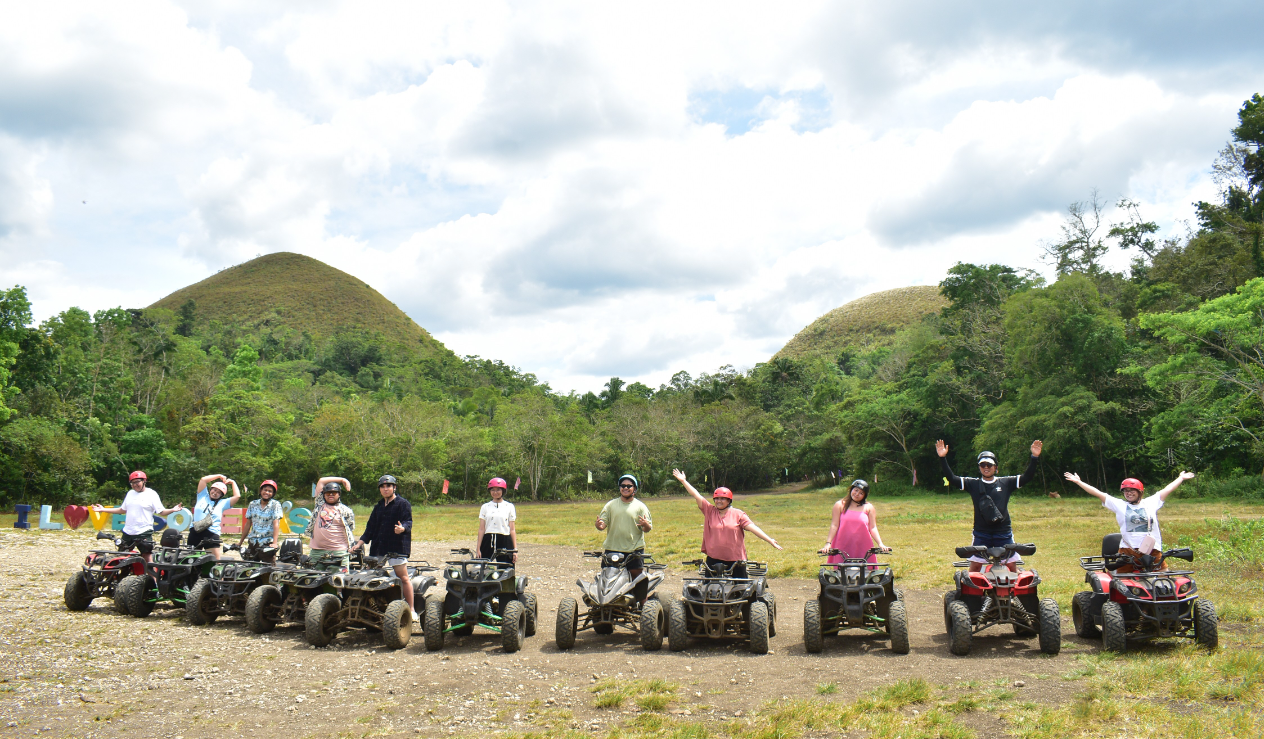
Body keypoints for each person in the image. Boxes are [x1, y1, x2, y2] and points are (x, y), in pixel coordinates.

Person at [936, 439, 1043, 571]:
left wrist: (1034, 457)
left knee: (1010, 565)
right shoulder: (972, 484)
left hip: (1003, 532)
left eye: (989, 465)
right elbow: (952, 478)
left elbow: (1027, 477)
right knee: (975, 566)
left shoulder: (1006, 482)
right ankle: (972, 591)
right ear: (979, 467)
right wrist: (942, 458)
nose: (986, 467)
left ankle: (1012, 591)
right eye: (983, 465)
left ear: (996, 467)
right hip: (982, 533)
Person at [1063, 470, 1195, 571]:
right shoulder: (1119, 504)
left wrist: (1181, 478)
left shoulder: (1151, 502)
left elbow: (1168, 489)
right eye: (1126, 491)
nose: (1128, 493)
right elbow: (1097, 492)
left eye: (1132, 490)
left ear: (1140, 492)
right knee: (1122, 585)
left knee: (1164, 579)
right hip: (1127, 552)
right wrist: (1078, 482)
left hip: (1152, 550)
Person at [672, 469, 781, 578]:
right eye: (717, 498)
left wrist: (770, 540)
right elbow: (696, 494)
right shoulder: (710, 511)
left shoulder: (738, 514)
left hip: (735, 560)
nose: (719, 501)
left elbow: (753, 528)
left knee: (740, 590)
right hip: (713, 558)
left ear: (729, 501)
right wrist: (683, 481)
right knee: (709, 590)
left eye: (722, 499)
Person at [352, 474, 416, 620]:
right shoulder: (378, 506)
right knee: (370, 576)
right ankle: (372, 609)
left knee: (403, 577)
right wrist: (359, 544)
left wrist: (403, 528)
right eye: (382, 486)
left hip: (396, 547)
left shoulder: (403, 504)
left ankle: (412, 609)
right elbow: (370, 528)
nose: (385, 488)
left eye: (388, 486)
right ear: (380, 490)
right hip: (379, 547)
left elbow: (408, 522)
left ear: (394, 487)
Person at [92, 471, 184, 563]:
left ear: (144, 481)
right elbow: (122, 510)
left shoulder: (152, 494)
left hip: (143, 531)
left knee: (146, 557)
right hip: (128, 531)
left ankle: (153, 577)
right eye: (132, 483)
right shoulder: (130, 493)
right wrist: (103, 510)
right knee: (121, 556)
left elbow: (161, 511)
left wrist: (173, 509)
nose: (135, 485)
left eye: (137, 482)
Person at [594, 473, 653, 603]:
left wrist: (645, 525)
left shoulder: (640, 506)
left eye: (629, 486)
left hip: (634, 550)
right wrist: (599, 525)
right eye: (623, 486)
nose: (625, 488)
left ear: (634, 489)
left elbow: (647, 529)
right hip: (612, 549)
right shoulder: (610, 505)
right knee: (607, 580)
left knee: (638, 579)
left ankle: (644, 608)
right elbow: (602, 524)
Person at [818, 479, 888, 564]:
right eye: (856, 490)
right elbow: (834, 525)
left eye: (861, 493)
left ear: (864, 496)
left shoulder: (868, 507)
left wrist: (880, 544)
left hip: (863, 546)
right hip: (842, 545)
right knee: (841, 573)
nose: (857, 494)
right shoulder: (840, 505)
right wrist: (828, 543)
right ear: (851, 489)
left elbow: (873, 527)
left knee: (866, 573)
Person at [305, 477, 355, 573]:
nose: (331, 494)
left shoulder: (346, 510)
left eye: (334, 492)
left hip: (338, 552)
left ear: (339, 494)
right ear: (323, 494)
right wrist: (343, 480)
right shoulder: (319, 504)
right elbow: (321, 481)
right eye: (328, 493)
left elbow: (350, 528)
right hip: (316, 551)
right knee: (311, 580)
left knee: (339, 581)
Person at [189, 474, 241, 560]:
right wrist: (219, 476)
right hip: (195, 530)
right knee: (191, 559)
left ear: (221, 495)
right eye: (214, 490)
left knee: (214, 561)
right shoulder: (202, 496)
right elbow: (203, 480)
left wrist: (233, 482)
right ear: (210, 489)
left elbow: (237, 496)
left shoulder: (223, 503)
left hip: (211, 533)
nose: (215, 493)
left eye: (218, 492)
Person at [240, 479, 284, 563]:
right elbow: (248, 524)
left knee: (268, 570)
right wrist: (240, 542)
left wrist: (274, 543)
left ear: (273, 494)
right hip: (253, 541)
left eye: (270, 491)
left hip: (267, 542)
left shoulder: (275, 505)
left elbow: (276, 524)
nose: (267, 492)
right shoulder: (253, 504)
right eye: (265, 490)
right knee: (249, 569)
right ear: (260, 491)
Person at [475, 477, 517, 565]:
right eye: (492, 490)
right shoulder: (485, 507)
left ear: (503, 491)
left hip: (505, 539)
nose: (495, 492)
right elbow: (482, 528)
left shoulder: (509, 506)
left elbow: (512, 529)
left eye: (498, 490)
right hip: (488, 539)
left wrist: (515, 550)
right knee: (482, 567)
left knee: (506, 569)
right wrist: (478, 548)